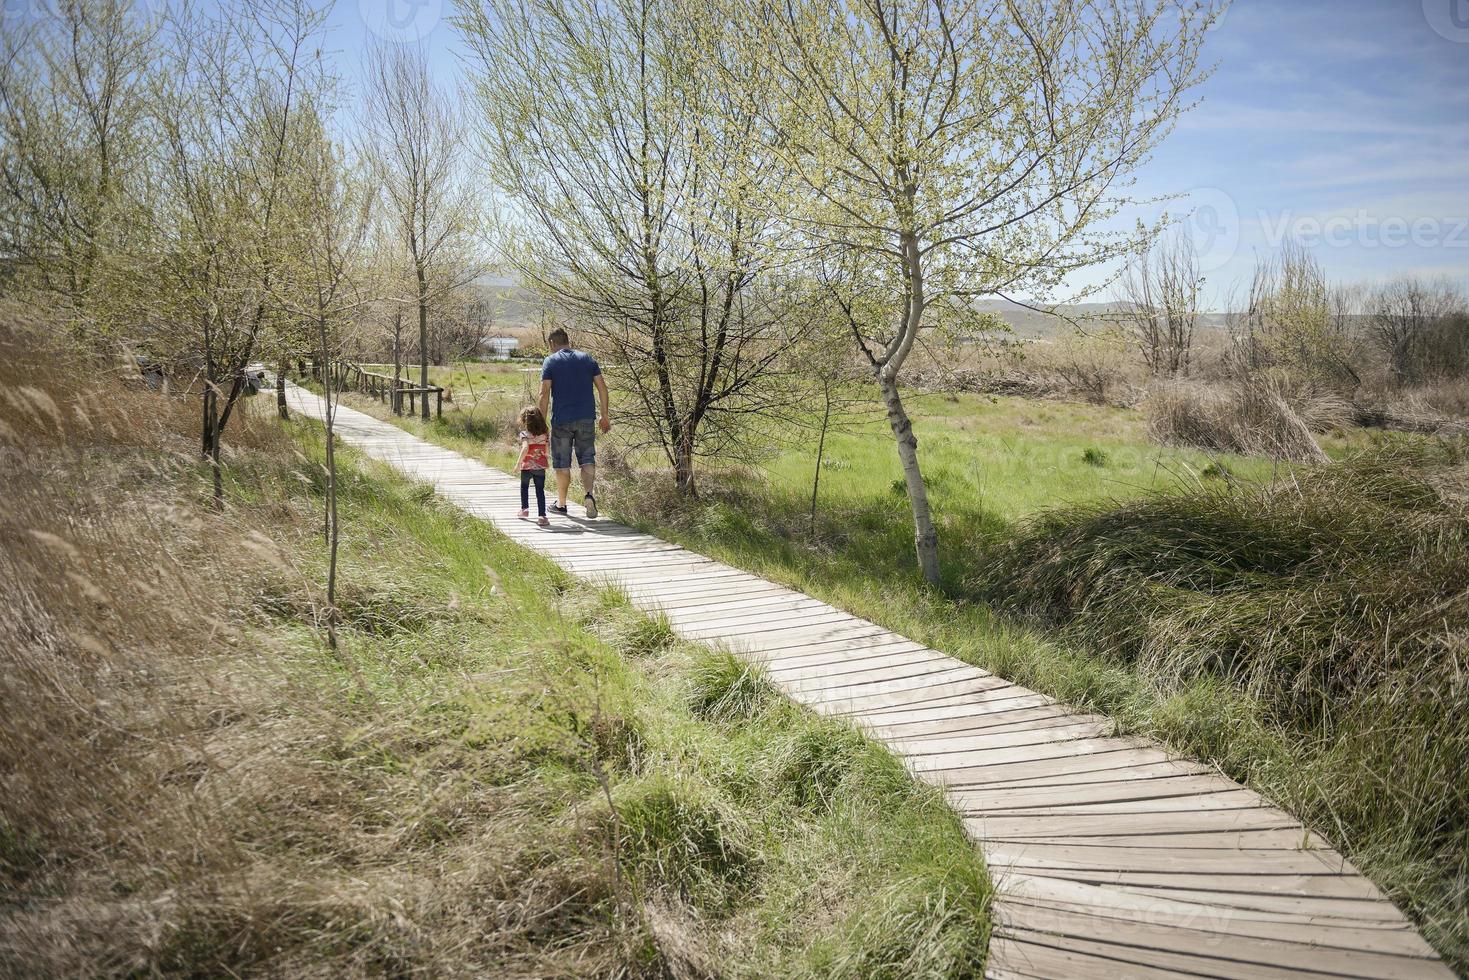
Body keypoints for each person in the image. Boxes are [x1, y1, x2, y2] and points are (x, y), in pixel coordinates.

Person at [537, 328, 610, 517]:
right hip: (586, 418)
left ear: (552, 343)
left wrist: (540, 423)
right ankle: (588, 495)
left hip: (562, 420)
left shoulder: (550, 361)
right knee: (587, 458)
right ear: (567, 340)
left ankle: (561, 504)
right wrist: (604, 415)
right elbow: (602, 388)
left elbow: (544, 393)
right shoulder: (587, 358)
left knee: (562, 464)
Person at [515, 405, 551, 526]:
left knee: (524, 487)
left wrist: (518, 462)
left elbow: (525, 448)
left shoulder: (525, 434)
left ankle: (524, 509)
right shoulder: (544, 434)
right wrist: (546, 458)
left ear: (525, 420)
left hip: (527, 466)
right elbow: (546, 450)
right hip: (540, 466)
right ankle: (542, 516)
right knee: (540, 491)